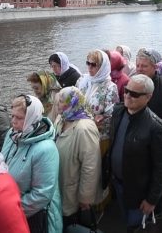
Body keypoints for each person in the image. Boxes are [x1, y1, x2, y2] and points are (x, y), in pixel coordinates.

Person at [108, 74, 162, 232]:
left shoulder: (157, 127)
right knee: (126, 218)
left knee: (136, 226)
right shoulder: (118, 112)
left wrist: (151, 199)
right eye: (126, 91)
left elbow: (161, 168)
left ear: (148, 97)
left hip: (138, 191)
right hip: (118, 183)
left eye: (135, 94)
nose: (128, 96)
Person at [1, 95, 62, 233]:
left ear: (32, 118)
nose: (13, 122)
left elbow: (42, 194)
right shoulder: (12, 135)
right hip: (11, 208)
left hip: (35, 218)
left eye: (19, 118)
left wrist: (10, 210)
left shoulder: (46, 149)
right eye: (12, 116)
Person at [53, 87, 102, 228]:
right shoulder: (61, 118)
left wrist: (85, 198)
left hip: (73, 193)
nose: (58, 105)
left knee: (72, 224)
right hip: (61, 184)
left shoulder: (84, 128)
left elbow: (91, 166)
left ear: (73, 102)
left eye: (62, 102)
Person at [77, 49, 119, 147]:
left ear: (102, 66)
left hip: (97, 137)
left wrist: (101, 118)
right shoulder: (82, 80)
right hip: (79, 131)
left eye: (94, 64)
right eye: (88, 63)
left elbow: (112, 116)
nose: (90, 67)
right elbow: (73, 98)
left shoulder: (110, 87)